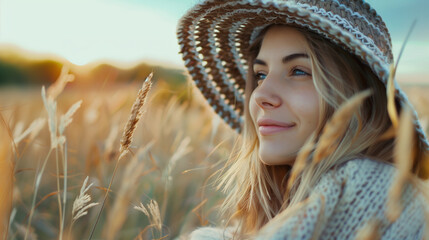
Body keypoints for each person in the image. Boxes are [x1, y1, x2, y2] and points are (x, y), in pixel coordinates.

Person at [176, 0, 429, 239]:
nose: (261, 94)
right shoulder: (298, 198)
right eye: (261, 74)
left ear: (359, 96)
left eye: (298, 71)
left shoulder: (374, 188)